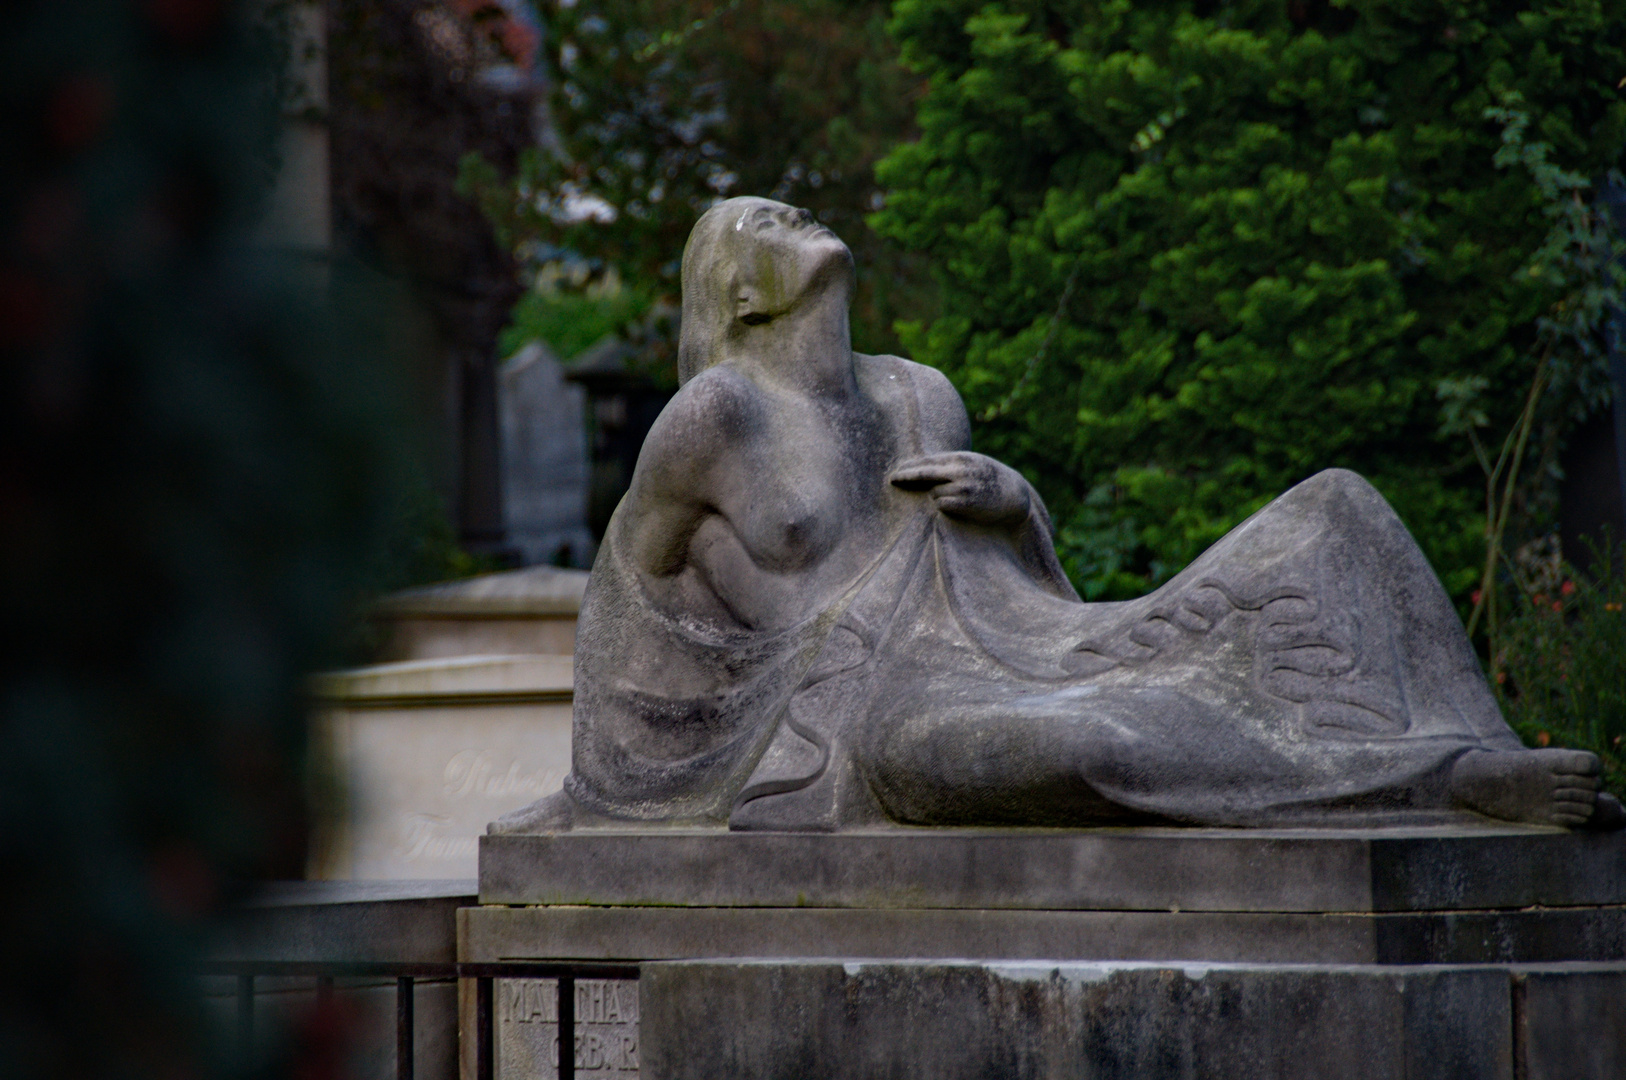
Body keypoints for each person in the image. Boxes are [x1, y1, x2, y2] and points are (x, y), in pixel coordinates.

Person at [493, 196, 1623, 834]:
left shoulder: (916, 394)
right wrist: (611, 798)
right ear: (738, 292)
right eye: (759, 221)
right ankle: (1428, 781)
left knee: (1339, 514)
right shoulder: (716, 416)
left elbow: (1000, 594)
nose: (793, 212)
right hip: (861, 731)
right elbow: (628, 609)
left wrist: (1011, 506)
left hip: (1000, 654)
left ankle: (1477, 751)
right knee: (1093, 739)